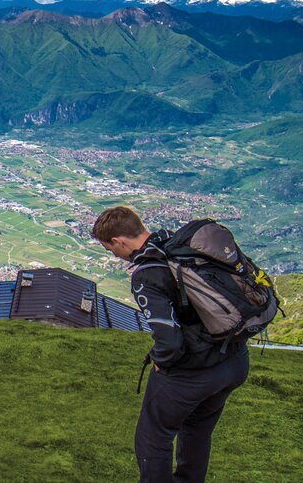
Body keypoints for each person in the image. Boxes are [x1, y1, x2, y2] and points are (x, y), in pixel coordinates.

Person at [92, 206, 250, 483]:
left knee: (153, 437)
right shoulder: (180, 247)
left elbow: (169, 341)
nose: (113, 254)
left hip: (196, 372)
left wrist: (160, 362)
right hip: (234, 361)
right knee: (197, 430)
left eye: (109, 249)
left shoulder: (148, 274)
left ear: (118, 241)